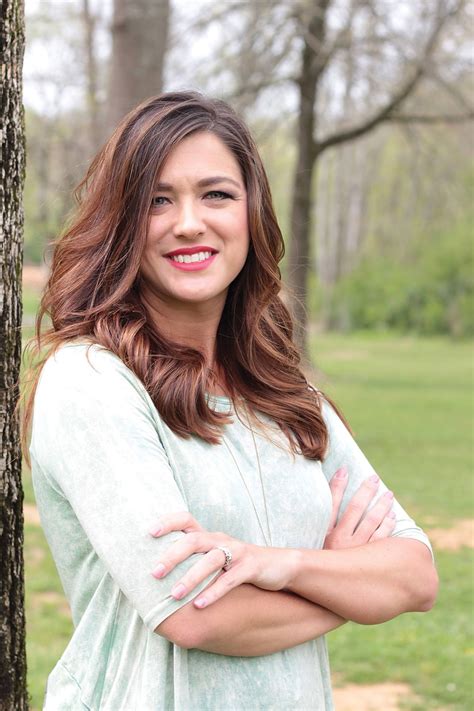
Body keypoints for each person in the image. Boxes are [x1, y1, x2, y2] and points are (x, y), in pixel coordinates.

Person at [24, 91, 438, 711]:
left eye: (216, 194)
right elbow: (194, 614)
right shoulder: (90, 381)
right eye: (158, 200)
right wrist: (348, 586)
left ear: (252, 213)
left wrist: (286, 566)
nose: (189, 223)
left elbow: (416, 576)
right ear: (122, 221)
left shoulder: (283, 392)